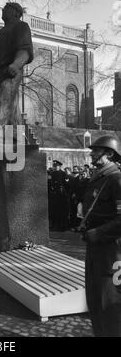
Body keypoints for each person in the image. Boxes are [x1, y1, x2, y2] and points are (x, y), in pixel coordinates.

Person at [81, 135, 121, 337]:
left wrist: (96, 233)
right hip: (95, 247)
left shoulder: (116, 178)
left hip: (112, 251)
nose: (91, 154)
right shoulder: (99, 177)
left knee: (110, 302)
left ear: (109, 154)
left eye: (96, 150)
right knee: (95, 299)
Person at [0, 2, 33, 127]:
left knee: (0, 105)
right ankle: (16, 136)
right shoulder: (1, 32)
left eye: (6, 8)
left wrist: (15, 64)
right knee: (11, 108)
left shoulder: (21, 26)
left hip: (9, 72)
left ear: (15, 12)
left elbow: (25, 49)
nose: (3, 10)